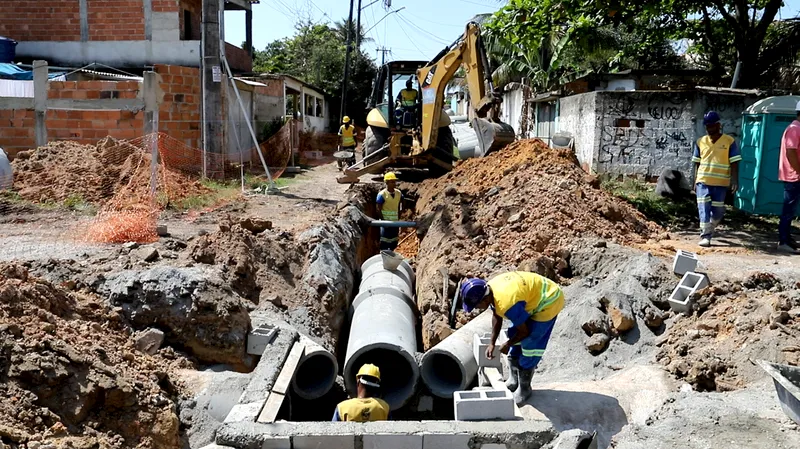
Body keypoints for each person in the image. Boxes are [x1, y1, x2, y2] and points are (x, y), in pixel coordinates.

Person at [461, 272, 565, 405]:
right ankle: (514, 379)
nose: (476, 308)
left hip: (549, 300)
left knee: (530, 343)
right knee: (513, 333)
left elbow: (525, 332)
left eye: (476, 305)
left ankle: (524, 389)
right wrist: (492, 342)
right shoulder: (490, 290)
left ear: (484, 299)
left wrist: (508, 344)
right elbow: (496, 315)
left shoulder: (507, 303)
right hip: (533, 296)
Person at [692, 111, 741, 247]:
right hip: (703, 181)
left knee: (718, 211)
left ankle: (710, 226)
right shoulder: (700, 142)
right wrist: (695, 181)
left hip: (721, 183)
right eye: (707, 126)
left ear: (718, 125)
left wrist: (734, 180)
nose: (709, 129)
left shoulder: (729, 142)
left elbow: (734, 162)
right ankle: (705, 235)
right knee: (703, 207)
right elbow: (697, 162)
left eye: (712, 126)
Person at [777, 101, 800, 253]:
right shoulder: (794, 129)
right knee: (788, 210)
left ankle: (787, 238)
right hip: (794, 176)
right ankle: (783, 241)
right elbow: (791, 152)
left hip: (795, 175)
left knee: (790, 210)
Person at [376, 172, 402, 251]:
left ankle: (391, 256)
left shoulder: (398, 193)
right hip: (385, 223)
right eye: (392, 182)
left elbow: (402, 202)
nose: (394, 183)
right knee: (384, 241)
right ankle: (384, 257)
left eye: (394, 181)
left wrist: (400, 212)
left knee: (394, 241)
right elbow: (378, 209)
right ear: (386, 182)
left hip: (395, 222)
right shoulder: (382, 195)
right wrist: (383, 221)